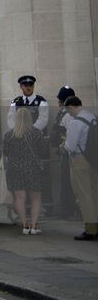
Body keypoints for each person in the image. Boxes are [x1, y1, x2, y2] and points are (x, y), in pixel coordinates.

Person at [2, 103, 47, 234]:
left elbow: (5, 152)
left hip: (15, 169)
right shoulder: (36, 133)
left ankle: (24, 226)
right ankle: (34, 226)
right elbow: (42, 150)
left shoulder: (9, 134)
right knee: (35, 198)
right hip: (32, 168)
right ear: (30, 118)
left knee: (19, 198)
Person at [58, 96, 98, 240]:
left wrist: (63, 146)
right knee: (95, 194)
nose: (69, 113)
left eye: (68, 110)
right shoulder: (93, 117)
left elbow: (71, 146)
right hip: (94, 159)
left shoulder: (76, 123)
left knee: (84, 196)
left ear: (72, 107)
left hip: (80, 160)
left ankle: (91, 229)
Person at [50, 85, 79, 219]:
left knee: (68, 181)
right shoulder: (64, 112)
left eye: (60, 99)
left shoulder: (69, 114)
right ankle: (66, 208)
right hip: (64, 151)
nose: (58, 101)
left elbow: (70, 134)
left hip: (69, 152)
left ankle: (69, 210)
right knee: (65, 180)